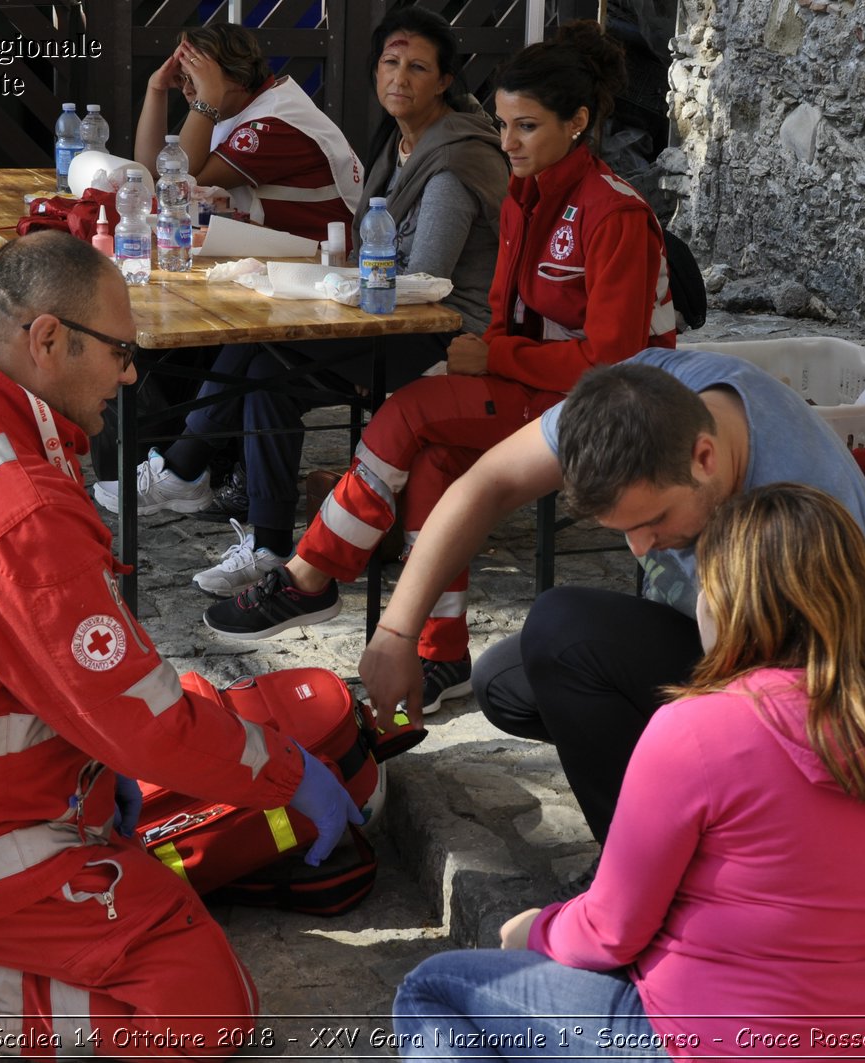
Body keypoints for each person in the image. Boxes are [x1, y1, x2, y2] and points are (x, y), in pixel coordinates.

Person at [357, 350, 865, 1059]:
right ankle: (670, 852)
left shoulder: (811, 507)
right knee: (515, 670)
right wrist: (398, 631)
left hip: (691, 1025)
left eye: (654, 521)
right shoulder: (644, 400)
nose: (640, 546)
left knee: (434, 988)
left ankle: (658, 869)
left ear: (707, 460)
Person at [0, 231, 360, 1057]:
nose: (132, 373)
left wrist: (91, 771)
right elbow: (144, 720)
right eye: (120, 350)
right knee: (206, 1009)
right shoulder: (11, 502)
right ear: (48, 340)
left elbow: (17, 662)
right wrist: (284, 775)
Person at [202, 21, 677, 718]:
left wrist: (496, 356)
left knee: (411, 412)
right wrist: (495, 358)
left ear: (579, 124)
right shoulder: (525, 190)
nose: (507, 143)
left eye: (527, 127)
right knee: (431, 460)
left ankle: (313, 572)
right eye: (506, 123)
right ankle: (441, 652)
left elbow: (613, 361)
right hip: (538, 389)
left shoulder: (615, 213)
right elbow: (501, 310)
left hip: (620, 407)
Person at [394, 484, 865, 1059]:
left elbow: (611, 931)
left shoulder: (698, 727)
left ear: (729, 600)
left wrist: (534, 929)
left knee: (434, 990)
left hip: (702, 1044)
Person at [94, 6, 508, 604]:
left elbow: (426, 280)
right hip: (386, 310)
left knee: (270, 361)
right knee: (262, 356)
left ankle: (191, 476)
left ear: (444, 80)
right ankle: (252, 533)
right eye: (390, 63)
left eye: (418, 67)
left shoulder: (453, 160)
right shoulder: (404, 143)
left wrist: (331, 283)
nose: (400, 77)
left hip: (444, 332)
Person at [133, 22, 360, 242]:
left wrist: (208, 97)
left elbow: (179, 183)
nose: (186, 90)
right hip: (278, 243)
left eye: (196, 79)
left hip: (326, 260)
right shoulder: (246, 106)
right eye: (182, 79)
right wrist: (157, 89)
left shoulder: (274, 123)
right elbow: (154, 171)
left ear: (238, 78)